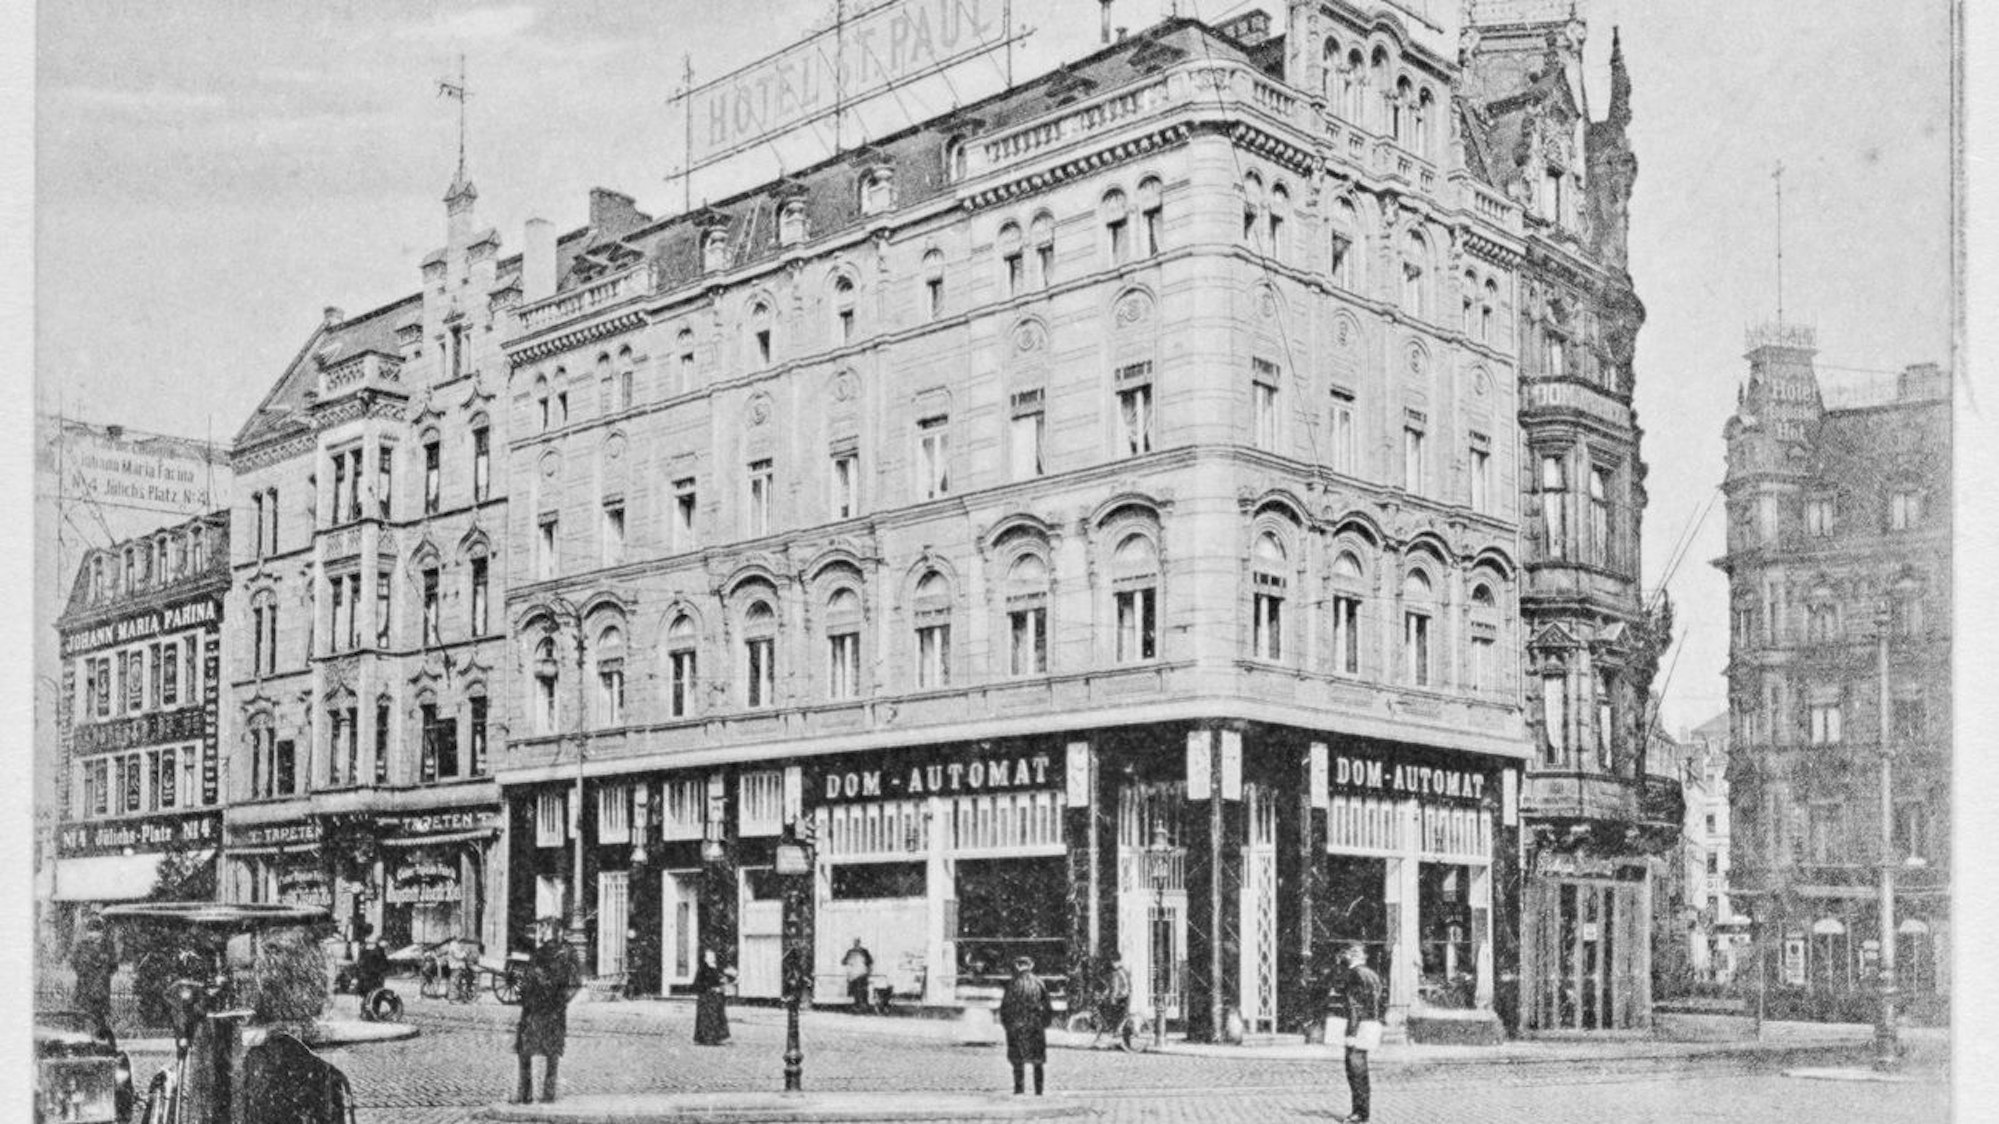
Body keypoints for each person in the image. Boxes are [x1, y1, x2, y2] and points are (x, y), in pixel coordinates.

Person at [514, 916, 580, 1104]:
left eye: (544, 928)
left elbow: (574, 983)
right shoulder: (543, 952)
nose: (541, 932)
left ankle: (537, 1095)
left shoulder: (565, 953)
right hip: (539, 1009)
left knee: (543, 1052)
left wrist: (559, 1000)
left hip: (545, 1010)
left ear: (557, 931)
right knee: (531, 1051)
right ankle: (530, 1094)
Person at [1332, 942, 1385, 1124]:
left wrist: (1351, 1033)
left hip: (1358, 1027)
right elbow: (1377, 1001)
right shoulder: (1371, 974)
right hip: (1371, 1024)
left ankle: (1359, 1113)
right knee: (1361, 1069)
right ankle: (1363, 1111)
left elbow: (1354, 1006)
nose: (1342, 957)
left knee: (1355, 1070)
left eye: (1345, 954)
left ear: (1351, 955)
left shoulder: (1354, 974)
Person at [999, 956, 1052, 1096]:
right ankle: (1039, 1091)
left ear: (1017, 966)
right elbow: (1047, 1007)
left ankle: (1019, 1090)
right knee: (1038, 1061)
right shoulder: (1039, 983)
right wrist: (1044, 1024)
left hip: (1017, 1027)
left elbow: (1005, 1008)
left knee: (1018, 1061)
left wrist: (1007, 1025)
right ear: (1032, 965)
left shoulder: (1013, 984)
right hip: (1036, 1026)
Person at [69, 915, 117, 1037]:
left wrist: (103, 971)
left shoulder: (108, 946)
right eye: (90, 931)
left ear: (101, 932)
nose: (93, 935)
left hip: (101, 990)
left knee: (100, 1020)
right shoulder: (82, 946)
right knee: (81, 1017)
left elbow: (114, 965)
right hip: (84, 988)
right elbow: (74, 962)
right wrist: (86, 968)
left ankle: (102, 1042)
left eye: (96, 931)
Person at [692, 948, 733, 1045]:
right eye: (710, 956)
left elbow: (721, 978)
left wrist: (722, 983)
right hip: (707, 996)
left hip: (717, 996)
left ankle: (720, 1037)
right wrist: (710, 988)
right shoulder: (702, 968)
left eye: (713, 956)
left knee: (719, 1016)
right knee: (709, 1018)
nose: (712, 958)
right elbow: (698, 983)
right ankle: (708, 1038)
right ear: (705, 958)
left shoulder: (716, 967)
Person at [352, 928, 392, 1020]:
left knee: (368, 996)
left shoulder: (366, 950)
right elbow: (383, 966)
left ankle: (367, 1013)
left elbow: (360, 965)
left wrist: (358, 975)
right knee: (375, 996)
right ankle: (372, 1013)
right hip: (374, 978)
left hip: (368, 977)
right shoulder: (378, 952)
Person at [842, 939, 875, 1012]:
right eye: (855, 942)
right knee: (856, 991)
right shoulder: (851, 952)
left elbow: (870, 962)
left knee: (862, 990)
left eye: (857, 942)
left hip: (862, 974)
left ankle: (863, 1006)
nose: (856, 944)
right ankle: (858, 1006)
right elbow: (844, 961)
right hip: (854, 974)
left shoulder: (863, 952)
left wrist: (869, 971)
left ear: (859, 943)